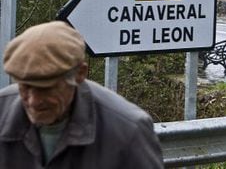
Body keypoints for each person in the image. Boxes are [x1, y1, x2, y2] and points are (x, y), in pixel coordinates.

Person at [0, 21, 164, 168]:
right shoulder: (2, 111)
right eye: (25, 87)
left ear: (80, 73)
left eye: (46, 88)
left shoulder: (128, 131)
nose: (34, 101)